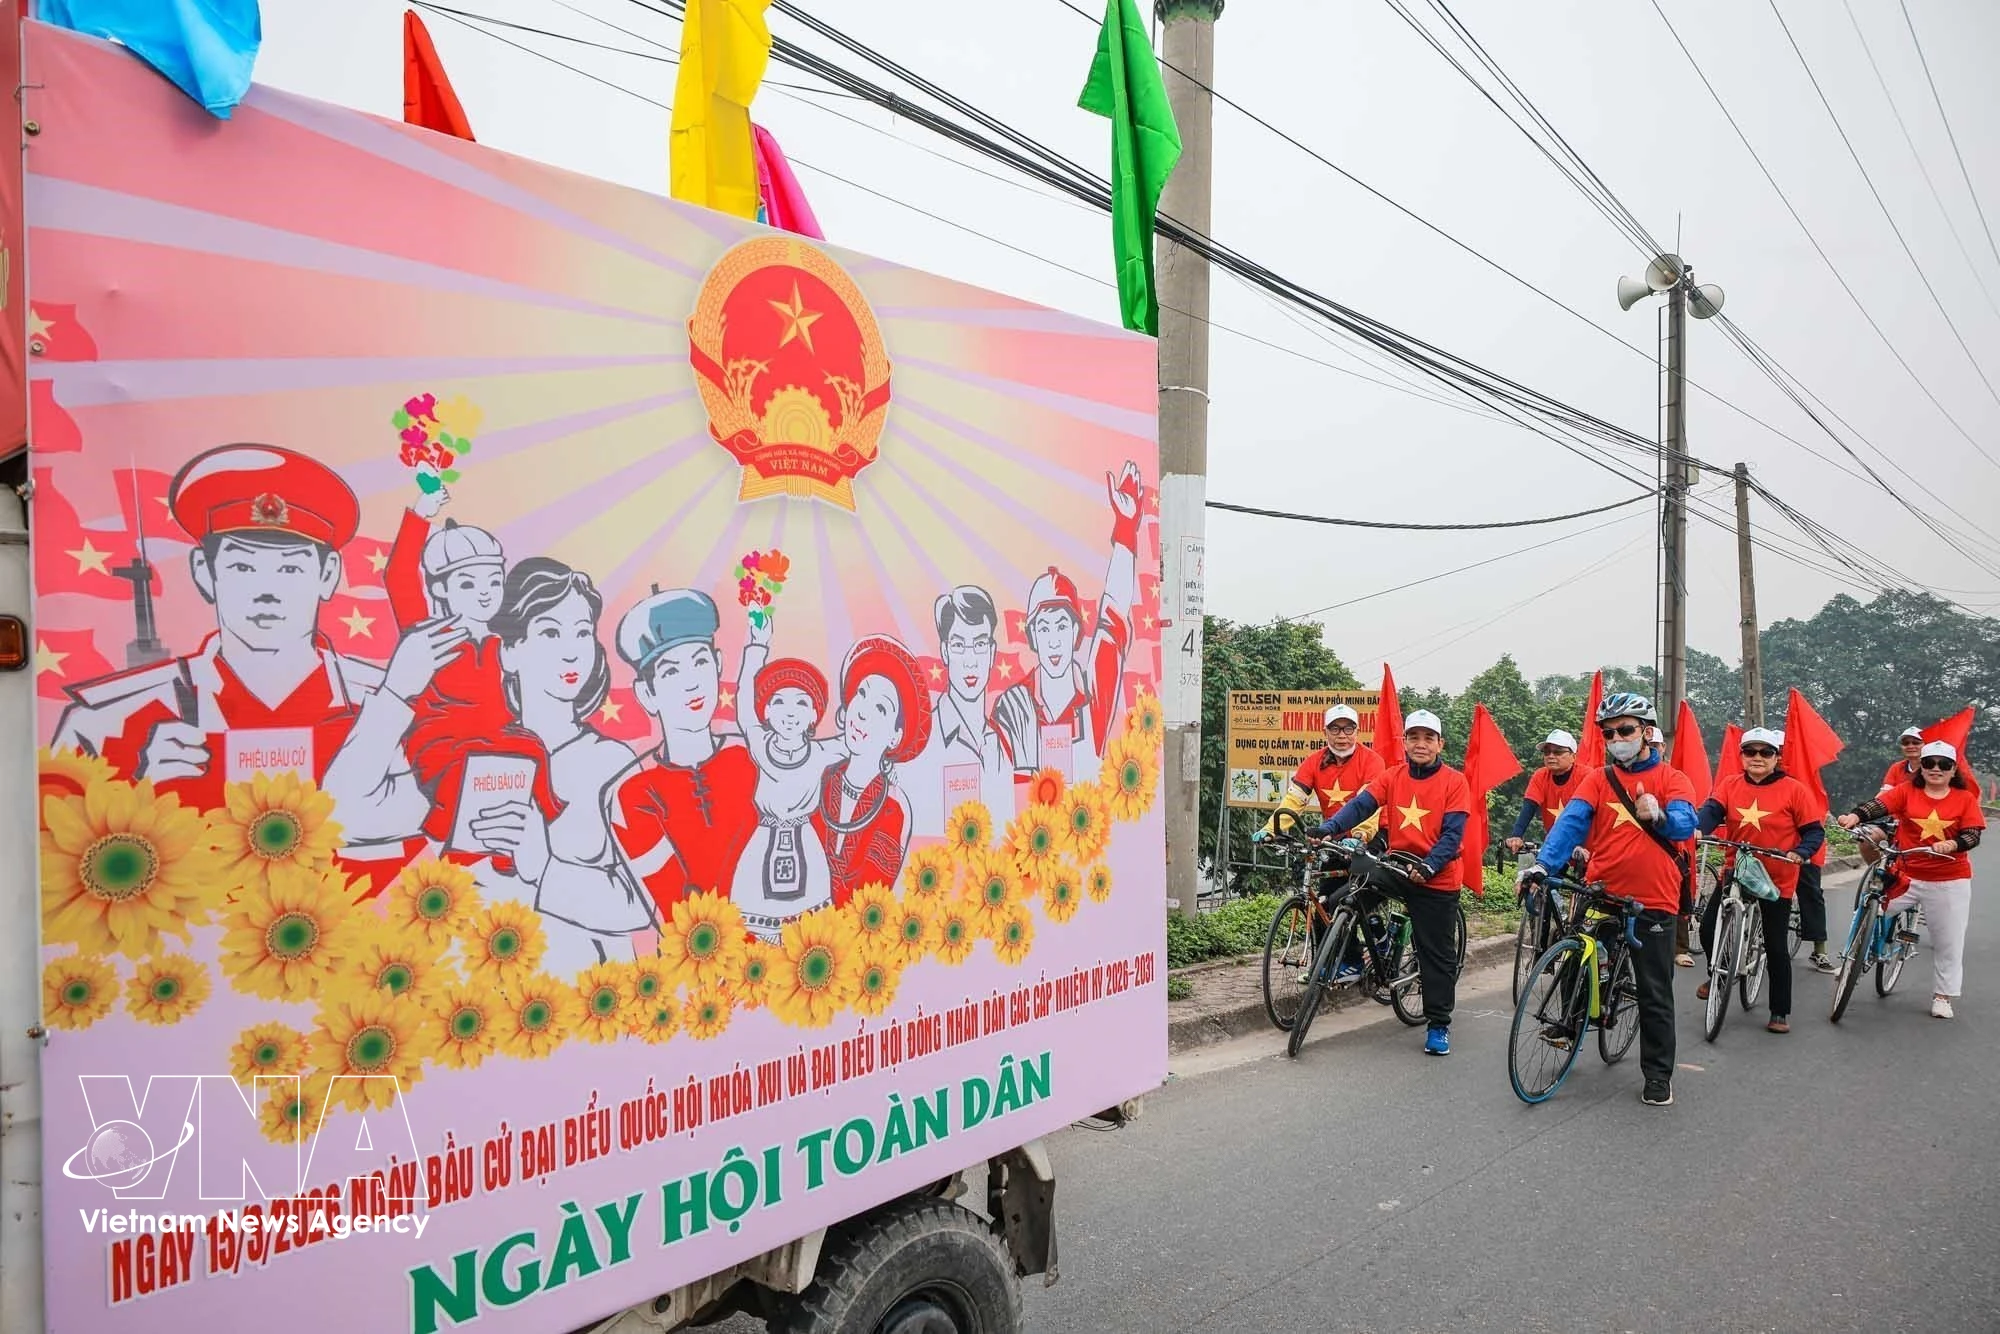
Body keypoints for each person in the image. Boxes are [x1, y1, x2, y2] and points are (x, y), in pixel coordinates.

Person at [51, 443, 454, 887]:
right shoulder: (110, 723)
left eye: (290, 569)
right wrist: (131, 798)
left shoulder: (397, 709)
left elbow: (447, 847)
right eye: (243, 567)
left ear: (328, 575)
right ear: (204, 572)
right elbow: (54, 868)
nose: (267, 592)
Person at [468, 558, 653, 975]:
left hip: (593, 990)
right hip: (492, 988)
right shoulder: (480, 759)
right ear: (510, 651)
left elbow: (643, 903)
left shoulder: (612, 762)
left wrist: (544, 867)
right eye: (551, 632)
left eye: (582, 632)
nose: (572, 651)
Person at [1521, 692, 1695, 1107]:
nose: (1616, 739)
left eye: (1625, 730)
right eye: (1609, 733)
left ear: (1647, 732)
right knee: (1576, 956)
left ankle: (1658, 1074)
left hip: (1654, 899)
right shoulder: (1597, 780)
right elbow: (1570, 824)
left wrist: (1660, 815)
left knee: (1654, 991)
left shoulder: (1672, 779)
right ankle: (1571, 1024)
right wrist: (1542, 866)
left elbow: (1685, 823)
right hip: (1602, 889)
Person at [1313, 710, 1471, 1057]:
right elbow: (1360, 805)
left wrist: (1430, 865)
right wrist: (1328, 828)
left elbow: (1452, 835)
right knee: (1343, 899)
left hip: (1437, 876)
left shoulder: (1455, 782)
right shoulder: (1392, 776)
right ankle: (1360, 957)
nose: (1420, 744)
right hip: (1397, 866)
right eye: (1414, 737)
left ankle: (1438, 1024)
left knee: (1436, 956)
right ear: (1405, 743)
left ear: (1440, 744)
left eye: (1428, 738)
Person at [605, 588, 761, 918]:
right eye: (671, 671)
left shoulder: (754, 758)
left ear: (718, 665)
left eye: (700, 662)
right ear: (646, 693)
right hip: (702, 944)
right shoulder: (634, 794)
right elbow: (676, 909)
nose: (692, 684)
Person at [992, 461, 1143, 781]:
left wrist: (1126, 530)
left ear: (1076, 631)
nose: (1053, 640)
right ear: (1032, 636)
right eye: (1043, 628)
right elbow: (996, 786)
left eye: (1062, 626)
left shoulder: (1093, 695)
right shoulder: (1013, 705)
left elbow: (1114, 613)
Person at [1838, 740, 1985, 1019]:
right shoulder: (1906, 791)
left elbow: (1972, 835)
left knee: (1949, 941)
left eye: (1944, 764)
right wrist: (1855, 816)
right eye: (1929, 763)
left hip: (1948, 880)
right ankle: (1854, 957)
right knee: (1870, 906)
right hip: (1906, 875)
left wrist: (1953, 844)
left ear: (1953, 770)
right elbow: (1879, 805)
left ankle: (1942, 996)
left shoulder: (1964, 799)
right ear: (1922, 767)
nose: (1936, 769)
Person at [1693, 727, 1823, 1034]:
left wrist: (1800, 852)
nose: (1757, 757)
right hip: (1736, 870)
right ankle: (1720, 973)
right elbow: (1711, 811)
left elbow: (1814, 832)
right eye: (1750, 751)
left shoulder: (1795, 790)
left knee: (1776, 946)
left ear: (1777, 757)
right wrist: (1698, 828)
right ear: (1742, 756)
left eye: (1766, 752)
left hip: (1775, 878)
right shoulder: (1730, 784)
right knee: (1708, 927)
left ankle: (1779, 1010)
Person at [732, 612, 839, 937]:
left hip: (806, 846)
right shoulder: (760, 745)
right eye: (778, 702)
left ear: (814, 715)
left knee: (809, 936)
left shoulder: (822, 753)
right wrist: (757, 645)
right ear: (766, 711)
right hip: (762, 845)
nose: (789, 713)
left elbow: (860, 743)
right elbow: (743, 705)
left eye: (801, 703)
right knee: (753, 935)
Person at [814, 635, 932, 906]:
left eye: (880, 708)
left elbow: (870, 897)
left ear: (895, 736)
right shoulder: (819, 779)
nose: (863, 713)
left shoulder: (893, 806)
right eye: (862, 694)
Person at [903, 585, 1015, 836]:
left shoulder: (1002, 743)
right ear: (944, 651)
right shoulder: (920, 743)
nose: (970, 661)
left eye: (980, 644)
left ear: (992, 652)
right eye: (958, 645)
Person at [1254, 704, 1386, 844]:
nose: (1342, 735)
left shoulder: (1372, 761)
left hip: (1371, 835)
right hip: (1330, 834)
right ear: (1325, 732)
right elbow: (1294, 799)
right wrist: (1271, 829)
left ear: (1357, 732)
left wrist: (1360, 835)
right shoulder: (1313, 761)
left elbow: (1368, 804)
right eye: (1335, 729)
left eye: (1348, 729)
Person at [1505, 730, 1580, 852]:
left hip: (1586, 847)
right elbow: (1529, 807)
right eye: (1546, 752)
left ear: (1573, 756)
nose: (1551, 756)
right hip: (1555, 846)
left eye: (1558, 752)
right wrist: (1516, 835)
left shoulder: (1587, 776)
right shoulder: (1540, 776)